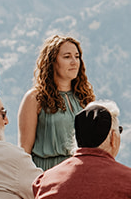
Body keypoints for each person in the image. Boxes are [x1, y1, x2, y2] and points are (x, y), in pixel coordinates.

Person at [17, 34, 95, 171]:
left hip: (80, 172)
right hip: (46, 173)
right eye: (67, 57)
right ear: (52, 61)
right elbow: (24, 151)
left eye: (77, 57)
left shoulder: (85, 98)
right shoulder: (34, 98)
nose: (74, 62)